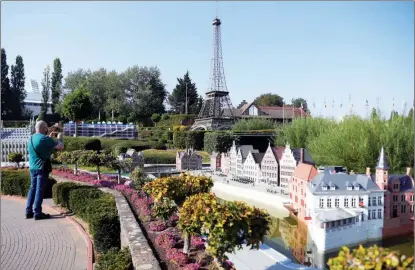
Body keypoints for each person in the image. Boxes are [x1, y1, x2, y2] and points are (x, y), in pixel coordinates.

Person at [26, 121, 64, 220]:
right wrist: (59, 138)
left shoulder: (30, 138)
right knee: (39, 190)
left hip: (32, 167)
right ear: (44, 129)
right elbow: (60, 147)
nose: (47, 130)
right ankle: (37, 213)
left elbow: (41, 145)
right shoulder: (44, 139)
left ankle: (28, 211)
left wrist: (49, 138)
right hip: (42, 168)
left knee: (32, 188)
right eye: (46, 128)